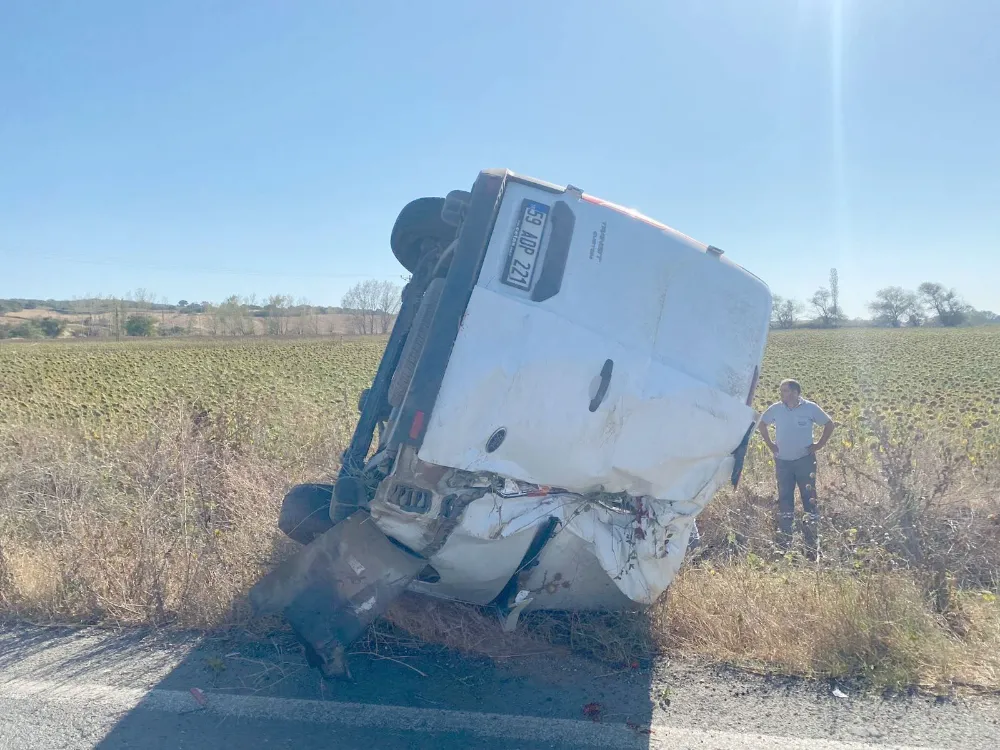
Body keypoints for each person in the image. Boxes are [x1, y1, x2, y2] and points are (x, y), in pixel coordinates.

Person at [757, 379, 834, 558]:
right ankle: (785, 543)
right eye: (781, 391)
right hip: (783, 462)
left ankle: (812, 543)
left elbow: (829, 424)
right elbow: (761, 423)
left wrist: (819, 444)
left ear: (795, 392)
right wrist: (770, 444)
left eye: (784, 391)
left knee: (809, 498)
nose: (781, 394)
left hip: (804, 460)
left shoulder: (810, 408)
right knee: (785, 498)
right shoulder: (776, 408)